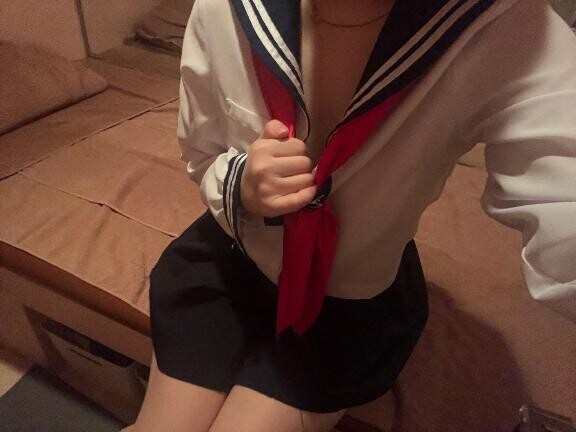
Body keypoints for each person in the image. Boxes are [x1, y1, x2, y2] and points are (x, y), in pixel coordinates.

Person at [125, 0, 576, 430]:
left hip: (347, 304)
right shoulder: (224, 10)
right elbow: (201, 148)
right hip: (228, 264)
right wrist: (241, 181)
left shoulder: (503, 27)